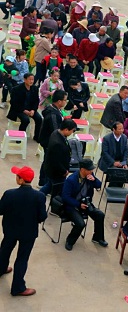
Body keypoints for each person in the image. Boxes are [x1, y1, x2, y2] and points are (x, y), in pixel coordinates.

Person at [0, 166, 46, 296]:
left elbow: (0, 210)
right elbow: (42, 216)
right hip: (28, 233)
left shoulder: (9, 194)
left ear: (20, 180)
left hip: (10, 230)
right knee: (22, 258)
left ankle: (1, 269)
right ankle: (18, 288)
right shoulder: (39, 196)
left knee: (4, 250)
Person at [61, 159, 108, 251]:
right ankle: (70, 241)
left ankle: (98, 237)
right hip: (73, 205)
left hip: (86, 203)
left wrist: (94, 180)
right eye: (89, 169)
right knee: (80, 223)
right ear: (82, 169)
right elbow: (65, 197)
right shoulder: (71, 180)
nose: (91, 171)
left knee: (100, 215)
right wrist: (78, 204)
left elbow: (99, 185)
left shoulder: (90, 175)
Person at [7, 73, 42, 142]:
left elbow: (36, 101)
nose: (31, 81)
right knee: (25, 120)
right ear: (25, 80)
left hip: (30, 109)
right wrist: (23, 110)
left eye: (32, 79)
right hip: (19, 110)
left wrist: (33, 110)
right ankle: (19, 138)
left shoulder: (35, 88)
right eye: (30, 79)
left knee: (39, 119)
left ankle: (36, 136)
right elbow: (13, 103)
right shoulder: (17, 89)